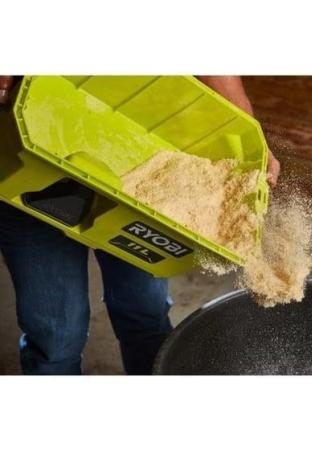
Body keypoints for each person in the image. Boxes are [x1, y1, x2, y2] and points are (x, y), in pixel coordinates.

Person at [0, 75, 280, 375]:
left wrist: (249, 134)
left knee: (144, 310)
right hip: (28, 149)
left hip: (134, 147)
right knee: (56, 334)